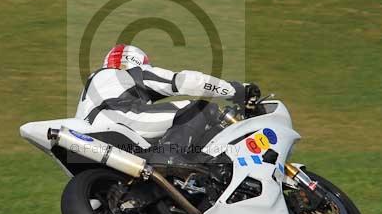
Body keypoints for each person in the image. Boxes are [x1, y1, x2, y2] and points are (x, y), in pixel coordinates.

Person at [75, 44, 259, 156]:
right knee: (203, 108)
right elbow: (185, 82)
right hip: (121, 120)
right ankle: (170, 158)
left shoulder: (94, 88)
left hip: (88, 142)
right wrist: (236, 90)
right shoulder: (129, 72)